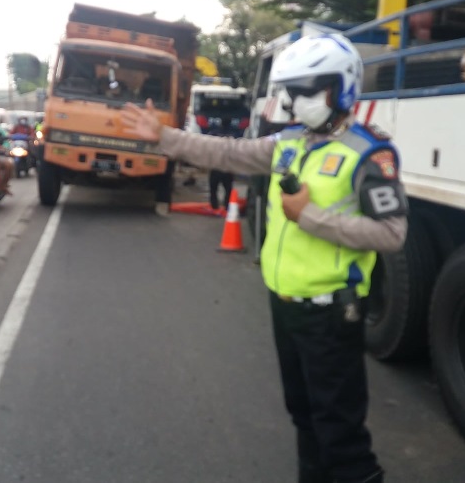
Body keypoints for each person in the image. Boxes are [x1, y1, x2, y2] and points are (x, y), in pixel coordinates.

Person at [121, 34, 408, 483]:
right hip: (285, 305)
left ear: (341, 88)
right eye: (291, 91)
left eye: (308, 90)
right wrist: (163, 136)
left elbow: (392, 234)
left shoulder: (369, 152)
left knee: (341, 436)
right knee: (304, 417)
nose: (296, 102)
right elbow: (226, 151)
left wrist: (308, 216)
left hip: (332, 313)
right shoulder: (289, 144)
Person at [207, 117, 236, 211]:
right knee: (228, 188)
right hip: (227, 166)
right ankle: (227, 205)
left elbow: (209, 148)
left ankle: (214, 205)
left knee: (213, 188)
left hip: (216, 165)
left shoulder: (214, 133)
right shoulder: (232, 135)